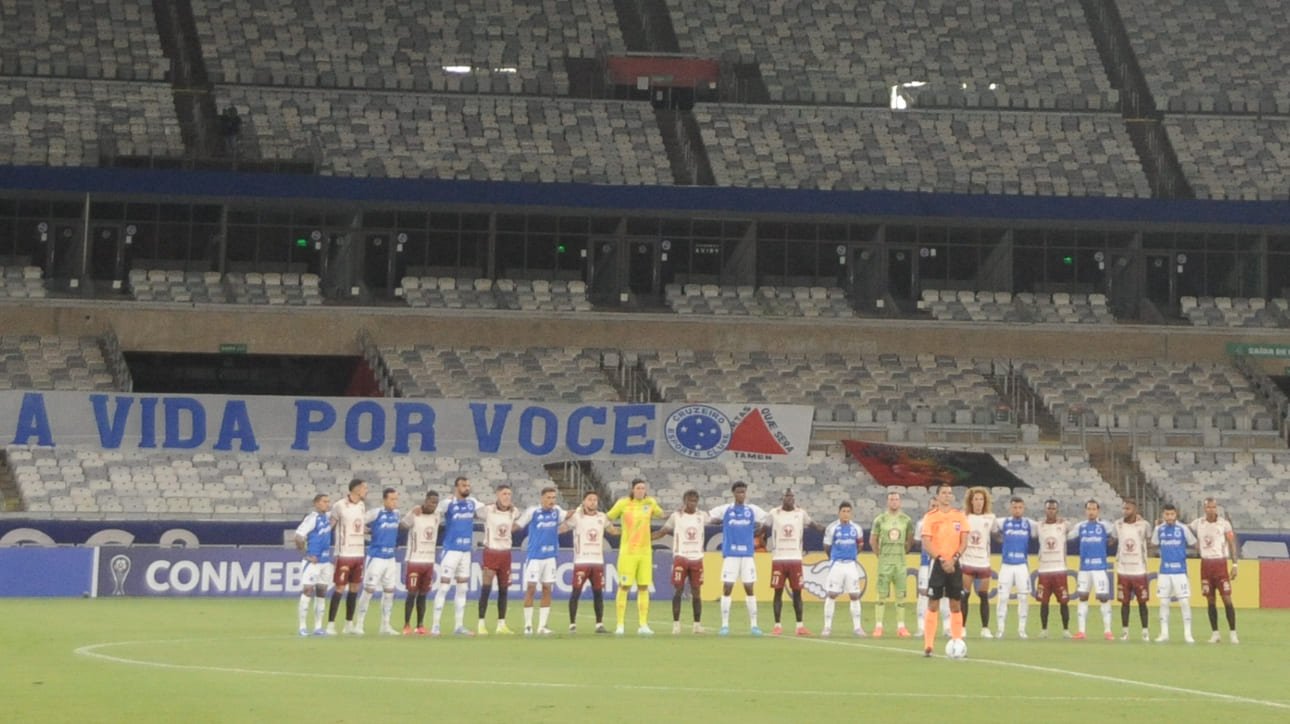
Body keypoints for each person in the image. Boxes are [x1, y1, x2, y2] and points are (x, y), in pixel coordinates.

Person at [606, 478, 666, 635]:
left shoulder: (650, 503)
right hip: (628, 552)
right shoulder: (623, 503)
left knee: (644, 587)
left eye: (643, 488)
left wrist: (679, 512)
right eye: (638, 488)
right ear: (632, 489)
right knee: (624, 586)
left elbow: (662, 515)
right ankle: (620, 625)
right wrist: (612, 530)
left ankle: (643, 625)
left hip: (645, 552)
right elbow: (607, 518)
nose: (641, 491)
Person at [709, 481, 769, 636]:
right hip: (731, 555)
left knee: (749, 588)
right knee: (727, 587)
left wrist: (759, 529)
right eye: (738, 492)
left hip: (747, 555)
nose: (741, 495)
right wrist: (716, 521)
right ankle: (724, 625)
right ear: (733, 493)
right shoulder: (725, 509)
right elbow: (708, 517)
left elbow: (768, 519)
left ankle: (754, 625)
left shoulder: (752, 510)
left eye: (743, 492)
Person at [762, 489, 819, 636]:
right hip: (779, 559)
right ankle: (777, 626)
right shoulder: (774, 513)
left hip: (795, 559)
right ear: (782, 498)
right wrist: (762, 542)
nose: (790, 498)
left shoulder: (801, 513)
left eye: (792, 496)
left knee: (797, 593)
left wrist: (828, 530)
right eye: (787, 496)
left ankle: (800, 626)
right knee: (778, 592)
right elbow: (763, 529)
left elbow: (813, 525)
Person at [922, 482, 969, 657]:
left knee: (955, 604)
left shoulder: (959, 516)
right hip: (938, 564)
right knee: (933, 603)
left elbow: (964, 542)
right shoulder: (930, 517)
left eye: (949, 493)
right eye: (944, 493)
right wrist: (941, 560)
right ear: (938, 496)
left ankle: (957, 641)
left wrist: (954, 559)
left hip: (954, 564)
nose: (947, 495)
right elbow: (927, 542)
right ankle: (928, 645)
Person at [431, 476, 480, 637]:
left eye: (468, 485)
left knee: (462, 588)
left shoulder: (472, 502)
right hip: (451, 550)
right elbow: (433, 513)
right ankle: (435, 625)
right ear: (456, 487)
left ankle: (458, 626)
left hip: (466, 551)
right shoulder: (447, 503)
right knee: (444, 587)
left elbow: (487, 511)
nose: (467, 488)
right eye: (464, 485)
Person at [563, 490, 617, 634]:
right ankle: (572, 624)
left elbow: (613, 531)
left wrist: (632, 530)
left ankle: (599, 624)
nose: (593, 502)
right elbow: (563, 528)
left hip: (597, 561)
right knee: (576, 592)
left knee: (598, 593)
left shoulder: (602, 517)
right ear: (584, 501)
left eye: (595, 500)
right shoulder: (577, 516)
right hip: (581, 561)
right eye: (590, 499)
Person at [655, 489, 707, 635]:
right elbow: (663, 531)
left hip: (697, 558)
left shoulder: (702, 516)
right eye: (690, 500)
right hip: (681, 557)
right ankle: (676, 624)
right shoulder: (676, 516)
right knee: (678, 590)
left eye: (695, 501)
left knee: (696, 592)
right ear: (684, 501)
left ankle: (697, 625)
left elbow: (717, 519)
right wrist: (646, 538)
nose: (693, 503)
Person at [515, 487, 564, 636]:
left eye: (554, 498)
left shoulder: (557, 511)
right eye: (549, 497)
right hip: (535, 557)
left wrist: (581, 509)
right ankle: (528, 625)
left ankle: (542, 626)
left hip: (551, 557)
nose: (552, 500)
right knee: (531, 588)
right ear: (542, 498)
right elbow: (518, 525)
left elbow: (568, 515)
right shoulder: (533, 512)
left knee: (547, 589)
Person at [1190, 497, 1239, 644]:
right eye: (1208, 507)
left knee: (1226, 598)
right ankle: (1215, 633)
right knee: (1210, 599)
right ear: (1204, 509)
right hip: (1205, 564)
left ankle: (1233, 633)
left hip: (1220, 564)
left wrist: (1235, 565)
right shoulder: (1198, 523)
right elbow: (1183, 529)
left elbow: (1231, 543)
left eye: (1213, 507)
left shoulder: (1224, 524)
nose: (1211, 510)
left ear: (1216, 508)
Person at [354, 487, 402, 635]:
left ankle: (385, 625)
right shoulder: (376, 513)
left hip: (390, 558)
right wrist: (367, 531)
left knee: (389, 591)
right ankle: (359, 624)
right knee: (369, 590)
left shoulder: (397, 514)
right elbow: (358, 522)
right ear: (384, 500)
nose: (394, 502)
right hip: (376, 557)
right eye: (392, 499)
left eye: (396, 499)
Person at [869, 490, 914, 638]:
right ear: (887, 502)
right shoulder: (880, 520)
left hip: (900, 563)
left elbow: (910, 539)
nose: (894, 502)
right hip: (885, 563)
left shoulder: (906, 520)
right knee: (881, 595)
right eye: (891, 499)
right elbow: (873, 540)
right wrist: (879, 555)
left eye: (896, 499)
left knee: (900, 595)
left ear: (900, 502)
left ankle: (901, 627)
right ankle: (878, 626)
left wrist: (905, 551)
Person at [1150, 504, 1198, 643]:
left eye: (1172, 514)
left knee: (1184, 602)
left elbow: (1194, 543)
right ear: (1163, 515)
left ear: (1176, 514)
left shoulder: (1183, 528)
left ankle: (1188, 634)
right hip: (1164, 571)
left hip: (1180, 571)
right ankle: (1164, 633)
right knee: (1164, 602)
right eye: (1167, 514)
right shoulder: (1159, 529)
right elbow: (1153, 544)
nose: (1169, 517)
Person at [325, 478, 368, 635]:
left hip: (359, 553)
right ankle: (330, 624)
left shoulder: (362, 505)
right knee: (340, 588)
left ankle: (349, 624)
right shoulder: (339, 505)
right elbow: (330, 525)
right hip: (344, 553)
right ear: (356, 489)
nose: (366, 491)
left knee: (355, 588)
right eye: (364, 488)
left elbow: (360, 526)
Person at [476, 484, 520, 635]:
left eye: (509, 494)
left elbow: (517, 521)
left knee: (503, 589)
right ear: (497, 495)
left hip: (506, 554)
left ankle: (501, 624)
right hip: (491, 552)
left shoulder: (514, 511)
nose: (507, 497)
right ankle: (481, 623)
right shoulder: (488, 510)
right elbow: (474, 510)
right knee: (486, 588)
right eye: (504, 494)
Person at [1069, 499, 1115, 640]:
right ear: (1085, 511)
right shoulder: (1080, 526)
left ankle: (1108, 631)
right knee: (1082, 596)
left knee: (1103, 597)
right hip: (1084, 568)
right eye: (1089, 509)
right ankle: (1081, 631)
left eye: (1094, 509)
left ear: (1098, 511)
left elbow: (1117, 532)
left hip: (1100, 567)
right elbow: (1067, 536)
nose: (1091, 512)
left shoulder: (1105, 526)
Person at [991, 496, 1036, 639]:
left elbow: (1044, 527)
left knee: (1023, 598)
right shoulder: (1003, 522)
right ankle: (1000, 629)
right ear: (1010, 508)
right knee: (1003, 597)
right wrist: (999, 538)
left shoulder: (1029, 523)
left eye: (1020, 507)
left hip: (1022, 565)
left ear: (1023, 508)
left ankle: (1022, 630)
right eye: (1015, 507)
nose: (1017, 510)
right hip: (1006, 565)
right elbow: (990, 525)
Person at [821, 501, 866, 637]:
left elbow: (860, 545)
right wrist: (833, 558)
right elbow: (827, 546)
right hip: (837, 564)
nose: (846, 514)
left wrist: (852, 555)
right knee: (832, 594)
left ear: (851, 513)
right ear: (839, 513)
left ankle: (857, 627)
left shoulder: (856, 528)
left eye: (848, 511)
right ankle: (827, 627)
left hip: (851, 564)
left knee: (855, 595)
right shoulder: (832, 528)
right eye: (843, 511)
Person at [400, 490, 439, 635]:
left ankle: (420, 625)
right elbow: (402, 526)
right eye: (431, 501)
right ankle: (406, 625)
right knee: (412, 593)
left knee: (423, 595)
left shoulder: (437, 515)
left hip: (429, 561)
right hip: (415, 560)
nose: (433, 505)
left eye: (436, 502)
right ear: (426, 500)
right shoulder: (415, 513)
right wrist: (412, 513)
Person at [293, 493, 333, 636]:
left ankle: (318, 627)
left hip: (325, 562)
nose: (327, 504)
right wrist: (306, 554)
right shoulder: (312, 518)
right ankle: (302, 626)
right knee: (308, 591)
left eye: (328, 501)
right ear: (316, 503)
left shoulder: (326, 517)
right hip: (313, 563)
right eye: (324, 501)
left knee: (322, 593)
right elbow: (298, 536)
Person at [1113, 498, 1152, 641]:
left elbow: (1149, 542)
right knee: (1124, 603)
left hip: (1139, 570)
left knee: (1142, 602)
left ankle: (1145, 632)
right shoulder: (1118, 524)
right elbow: (1113, 540)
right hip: (1123, 570)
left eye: (1128, 509)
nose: (1125, 511)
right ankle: (1125, 632)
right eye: (1124, 508)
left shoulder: (1144, 525)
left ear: (1135, 510)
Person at [961, 486, 996, 637]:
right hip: (967, 561)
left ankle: (985, 628)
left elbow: (998, 532)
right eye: (976, 499)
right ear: (971, 501)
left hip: (983, 562)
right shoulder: (964, 517)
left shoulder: (991, 518)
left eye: (981, 499)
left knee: (983, 595)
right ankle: (962, 627)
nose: (979, 502)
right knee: (964, 595)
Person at [1035, 499, 1072, 639]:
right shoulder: (1039, 526)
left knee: (1064, 601)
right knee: (1044, 602)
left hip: (1059, 570)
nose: (1051, 511)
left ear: (1057, 510)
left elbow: (1075, 527)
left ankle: (1066, 630)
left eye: (1053, 508)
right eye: (1049, 508)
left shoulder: (1064, 525)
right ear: (1045, 510)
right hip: (1044, 570)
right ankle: (1044, 630)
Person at [914, 498, 950, 638]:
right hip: (926, 564)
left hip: (941, 563)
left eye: (936, 506)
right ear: (928, 507)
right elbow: (917, 542)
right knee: (923, 594)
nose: (934, 508)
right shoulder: (921, 523)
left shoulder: (946, 523)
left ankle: (947, 627)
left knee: (944, 594)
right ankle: (921, 627)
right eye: (932, 505)